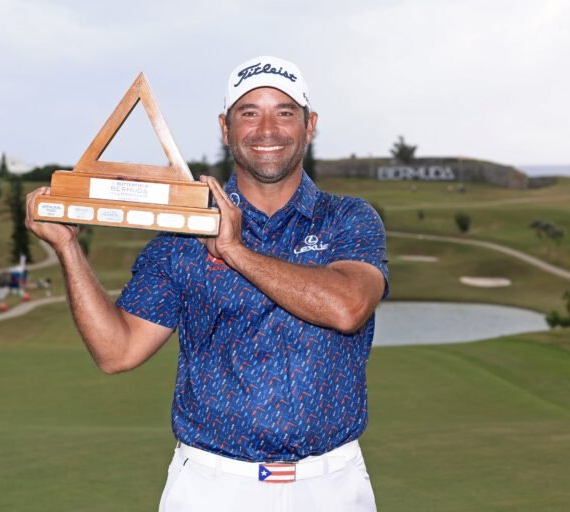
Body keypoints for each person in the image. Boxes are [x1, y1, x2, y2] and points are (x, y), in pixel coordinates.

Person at [25, 55, 388, 512]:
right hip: (213, 486)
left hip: (331, 484)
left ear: (309, 125)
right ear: (225, 127)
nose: (267, 129)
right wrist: (68, 250)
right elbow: (117, 351)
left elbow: (348, 306)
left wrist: (235, 252)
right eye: (249, 112)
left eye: (284, 112)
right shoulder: (183, 234)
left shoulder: (347, 219)